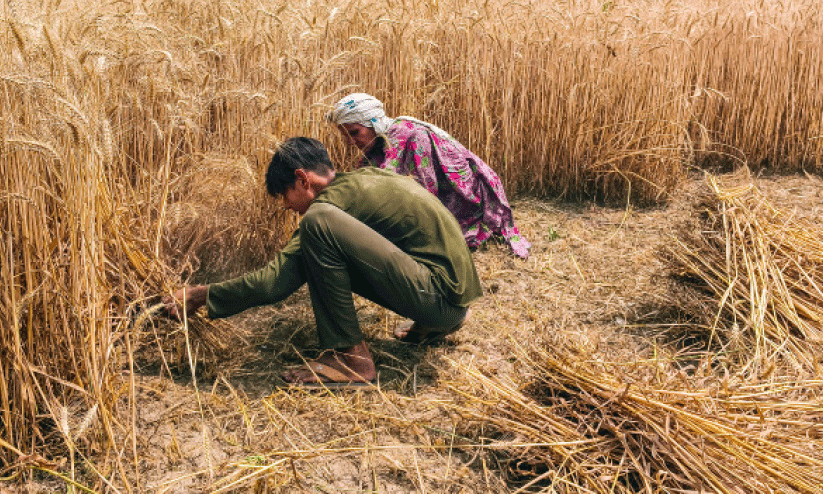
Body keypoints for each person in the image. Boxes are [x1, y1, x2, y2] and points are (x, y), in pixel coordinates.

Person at [164, 137, 482, 386]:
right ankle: (428, 325)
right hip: (453, 308)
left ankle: (350, 359)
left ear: (302, 179)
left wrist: (200, 295)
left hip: (439, 303)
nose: (287, 207)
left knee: (317, 224)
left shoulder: (329, 208)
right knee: (316, 246)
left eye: (285, 196)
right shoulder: (363, 181)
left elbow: (275, 282)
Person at [327, 92, 531, 259]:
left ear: (374, 122)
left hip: (471, 200)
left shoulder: (411, 135)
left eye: (354, 133)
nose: (350, 142)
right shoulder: (376, 145)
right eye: (344, 135)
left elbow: (424, 192)